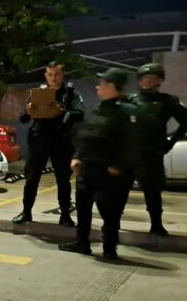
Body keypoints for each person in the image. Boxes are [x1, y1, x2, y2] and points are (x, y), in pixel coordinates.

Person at [59, 69, 134, 260]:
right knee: (83, 208)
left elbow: (132, 143)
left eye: (102, 83)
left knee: (109, 212)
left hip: (108, 171)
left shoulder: (126, 111)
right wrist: (77, 156)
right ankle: (82, 243)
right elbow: (87, 137)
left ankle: (109, 248)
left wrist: (118, 166)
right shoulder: (98, 109)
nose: (97, 87)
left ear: (112, 86)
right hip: (88, 169)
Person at [13, 61, 84, 226]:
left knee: (63, 180)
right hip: (39, 139)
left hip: (61, 140)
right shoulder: (39, 93)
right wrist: (29, 111)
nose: (54, 78)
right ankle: (26, 212)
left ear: (63, 74)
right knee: (31, 178)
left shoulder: (71, 93)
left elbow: (79, 114)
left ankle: (65, 214)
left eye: (57, 74)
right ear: (46, 75)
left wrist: (62, 112)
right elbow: (23, 118)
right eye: (50, 74)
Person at [126, 63, 187, 236]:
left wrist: (170, 142)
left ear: (159, 80)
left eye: (150, 77)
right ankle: (113, 223)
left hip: (151, 154)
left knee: (152, 191)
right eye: (143, 77)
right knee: (119, 190)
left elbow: (186, 121)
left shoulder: (168, 101)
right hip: (128, 153)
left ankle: (156, 224)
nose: (145, 81)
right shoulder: (130, 100)